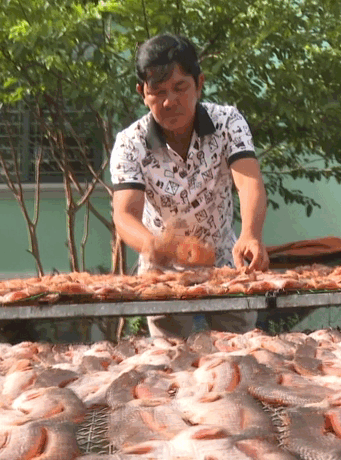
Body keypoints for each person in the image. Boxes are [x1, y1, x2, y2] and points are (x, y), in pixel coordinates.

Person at [110, 33, 269, 338]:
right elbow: (125, 214)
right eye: (158, 92)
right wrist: (152, 246)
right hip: (161, 272)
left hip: (226, 263)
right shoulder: (130, 143)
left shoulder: (228, 123)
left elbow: (249, 183)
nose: (169, 101)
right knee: (169, 360)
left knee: (239, 352)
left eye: (180, 88)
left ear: (199, 83)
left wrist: (251, 234)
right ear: (142, 92)